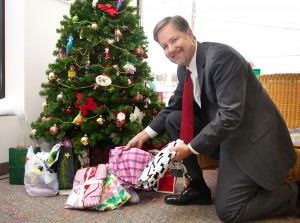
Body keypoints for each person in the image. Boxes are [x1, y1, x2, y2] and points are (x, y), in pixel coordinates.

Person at [124, 15, 298, 222]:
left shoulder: (222, 58)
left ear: (190, 34)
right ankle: (198, 188)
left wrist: (190, 148)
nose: (170, 49)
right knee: (174, 119)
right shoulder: (184, 69)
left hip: (250, 139)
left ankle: (295, 194)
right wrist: (144, 134)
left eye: (174, 40)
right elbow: (174, 107)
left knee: (229, 211)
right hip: (226, 135)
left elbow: (230, 116)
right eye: (164, 46)